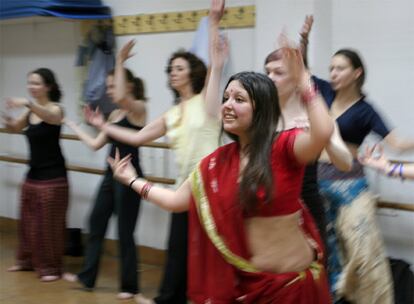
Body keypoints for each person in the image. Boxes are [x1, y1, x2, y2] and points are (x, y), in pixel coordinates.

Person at [108, 39, 334, 302]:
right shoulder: (217, 162)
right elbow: (175, 201)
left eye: (239, 99)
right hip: (250, 287)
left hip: (294, 290)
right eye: (226, 98)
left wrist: (303, 78)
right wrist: (132, 180)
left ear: (261, 108)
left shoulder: (284, 146)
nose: (227, 105)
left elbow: (323, 132)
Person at [85, 1, 226, 302]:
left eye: (179, 68)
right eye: (170, 69)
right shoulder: (172, 113)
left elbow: (216, 64)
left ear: (193, 73)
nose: (172, 73)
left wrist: (213, 21)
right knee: (177, 249)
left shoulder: (209, 102)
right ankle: (169, 299)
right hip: (183, 189)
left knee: (212, 252)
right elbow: (138, 138)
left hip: (212, 190)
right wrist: (104, 126)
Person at [301, 16, 414, 303]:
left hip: (351, 185)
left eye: (340, 68)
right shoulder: (323, 92)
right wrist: (303, 41)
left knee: (362, 249)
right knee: (325, 248)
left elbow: (397, 144)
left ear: (356, 73)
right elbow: (301, 72)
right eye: (331, 68)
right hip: (317, 181)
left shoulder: (366, 110)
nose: (334, 73)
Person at [62, 69, 147, 300]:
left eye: (112, 86)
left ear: (127, 85)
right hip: (110, 177)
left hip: (129, 176)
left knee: (124, 232)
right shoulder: (113, 115)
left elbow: (123, 100)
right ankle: (86, 277)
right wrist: (74, 125)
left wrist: (119, 64)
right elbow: (94, 144)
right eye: (108, 86)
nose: (109, 91)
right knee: (95, 220)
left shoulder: (138, 109)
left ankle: (130, 286)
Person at [264, 39, 353, 249]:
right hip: (266, 210)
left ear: (296, 78)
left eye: (278, 72)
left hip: (305, 208)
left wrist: (324, 138)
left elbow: (345, 163)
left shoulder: (314, 116)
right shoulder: (263, 115)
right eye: (267, 72)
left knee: (309, 275)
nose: (270, 78)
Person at [3, 68, 68, 282]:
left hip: (54, 176)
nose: (32, 87)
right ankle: (27, 261)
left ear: (48, 86)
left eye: (37, 83)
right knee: (28, 221)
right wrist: (8, 121)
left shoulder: (56, 109)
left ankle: (50, 267)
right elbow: (15, 128)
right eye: (29, 83)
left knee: (47, 225)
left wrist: (28, 103)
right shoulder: (29, 112)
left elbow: (50, 117)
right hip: (33, 174)